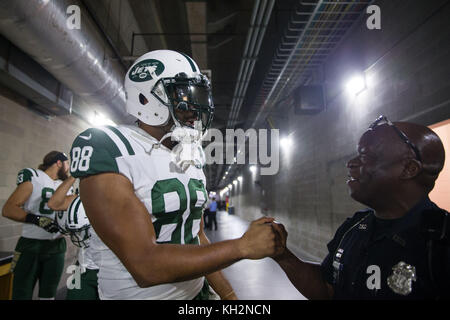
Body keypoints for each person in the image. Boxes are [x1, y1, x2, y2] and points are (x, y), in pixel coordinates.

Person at [69, 49, 282, 300]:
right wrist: (241, 246)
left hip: (196, 293)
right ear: (146, 99)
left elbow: (196, 235)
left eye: (197, 95)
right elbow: (145, 266)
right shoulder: (109, 146)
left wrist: (228, 294)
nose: (194, 107)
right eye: (183, 95)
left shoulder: (191, 153)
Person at [272, 115, 450, 299]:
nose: (351, 163)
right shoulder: (354, 227)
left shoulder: (440, 243)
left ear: (408, 169)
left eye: (366, 156)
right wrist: (282, 255)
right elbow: (328, 289)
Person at [2, 151, 70, 300]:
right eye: (67, 163)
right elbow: (8, 209)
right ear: (59, 162)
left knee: (49, 295)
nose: (68, 167)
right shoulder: (35, 176)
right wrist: (37, 219)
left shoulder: (65, 185)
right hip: (30, 245)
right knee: (21, 294)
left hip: (56, 245)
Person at [48, 176, 100, 300]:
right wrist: (74, 174)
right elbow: (53, 203)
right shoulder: (80, 200)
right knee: (73, 296)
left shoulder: (115, 202)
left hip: (107, 269)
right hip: (81, 266)